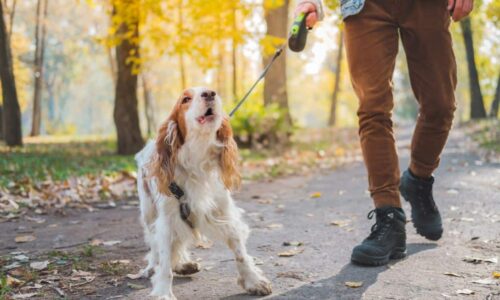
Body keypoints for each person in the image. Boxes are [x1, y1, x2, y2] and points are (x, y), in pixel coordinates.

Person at [294, 0, 474, 266]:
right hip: (364, 6)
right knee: (373, 108)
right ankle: (388, 216)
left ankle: (419, 180)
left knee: (441, 104)